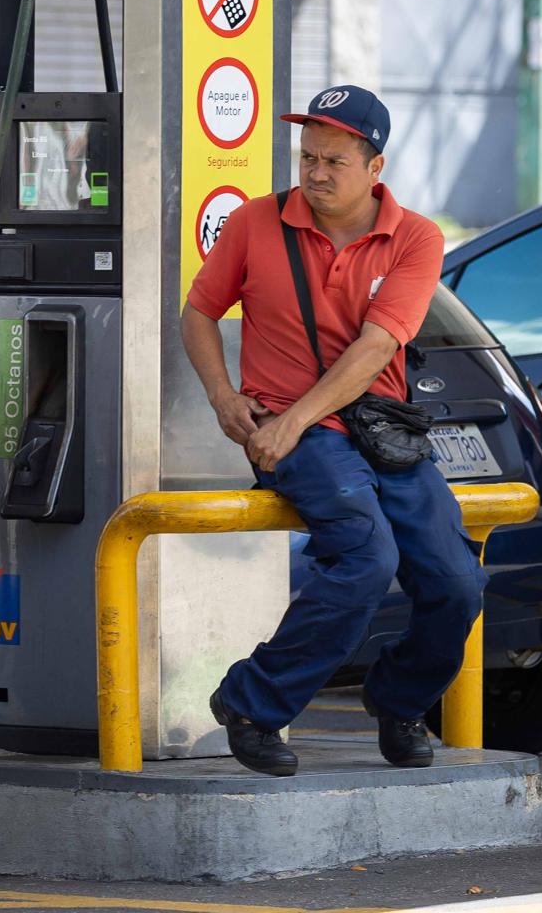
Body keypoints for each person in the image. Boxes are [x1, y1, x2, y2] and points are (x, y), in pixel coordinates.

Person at [179, 85, 484, 778]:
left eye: (334, 161)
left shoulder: (416, 236)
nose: (314, 173)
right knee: (366, 558)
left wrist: (293, 419)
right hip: (298, 439)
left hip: (375, 429)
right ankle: (253, 703)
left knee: (457, 581)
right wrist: (224, 398)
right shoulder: (256, 223)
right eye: (307, 157)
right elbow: (199, 313)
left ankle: (400, 701)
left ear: (375, 168)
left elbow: (379, 347)